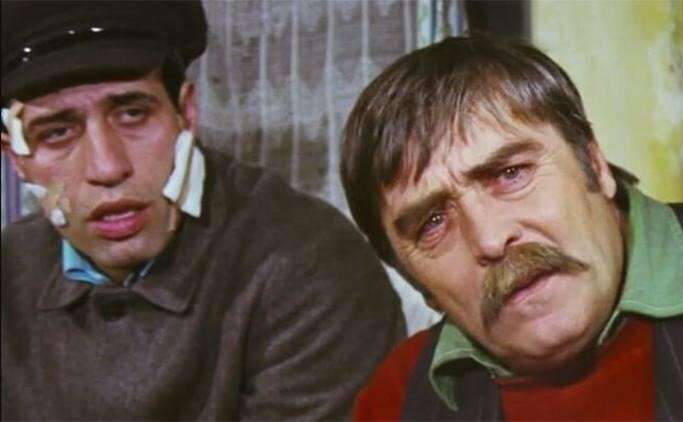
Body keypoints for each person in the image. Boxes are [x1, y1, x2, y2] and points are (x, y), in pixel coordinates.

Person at [0, 1, 404, 420]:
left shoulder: (309, 261)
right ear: (15, 158)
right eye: (57, 133)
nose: (107, 167)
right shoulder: (9, 272)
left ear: (186, 114)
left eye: (133, 114)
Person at [341, 36, 683, 421]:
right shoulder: (396, 399)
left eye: (511, 174)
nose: (491, 239)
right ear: (416, 282)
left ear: (594, 164)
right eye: (433, 223)